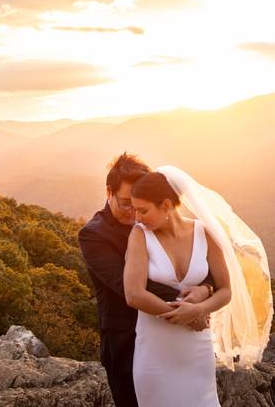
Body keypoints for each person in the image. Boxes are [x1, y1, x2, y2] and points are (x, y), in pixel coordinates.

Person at [124, 167, 274, 406]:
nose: (137, 217)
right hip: (155, 351)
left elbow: (225, 290)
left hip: (196, 349)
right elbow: (133, 294)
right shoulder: (139, 235)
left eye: (143, 210)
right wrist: (182, 315)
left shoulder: (204, 233)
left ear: (165, 205)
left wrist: (198, 311)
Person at [78, 154, 213, 407]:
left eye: (140, 204)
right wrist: (190, 310)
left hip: (176, 337)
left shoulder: (156, 222)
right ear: (109, 192)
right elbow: (127, 286)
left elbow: (199, 262)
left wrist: (205, 290)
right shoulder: (94, 235)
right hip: (126, 341)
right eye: (126, 203)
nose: (133, 213)